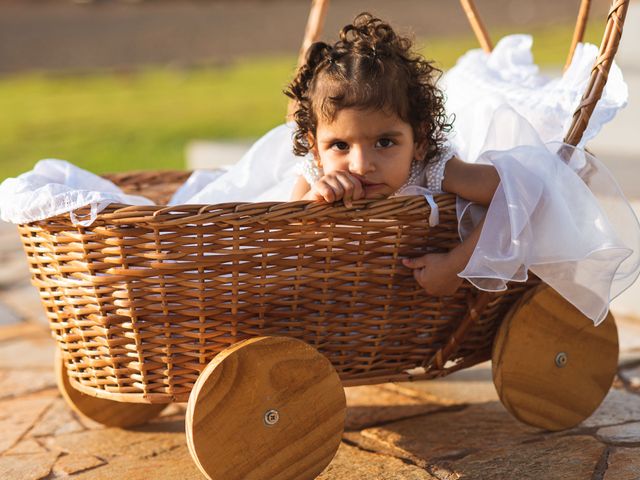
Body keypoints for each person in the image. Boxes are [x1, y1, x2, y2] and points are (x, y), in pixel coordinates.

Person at [285, 13, 499, 298]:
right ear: (316, 148)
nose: (360, 166)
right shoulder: (315, 172)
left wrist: (455, 266)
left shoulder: (432, 166)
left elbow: (515, 193)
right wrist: (312, 202)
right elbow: (283, 239)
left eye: (384, 142)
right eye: (340, 145)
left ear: (420, 140)